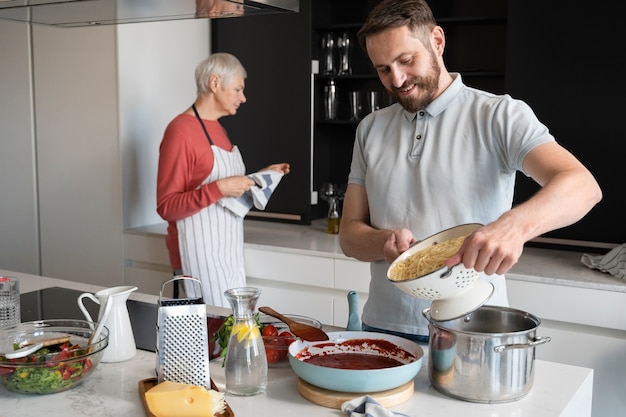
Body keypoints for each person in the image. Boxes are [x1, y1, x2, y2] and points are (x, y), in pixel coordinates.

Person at [339, 0, 602, 342]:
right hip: (383, 327)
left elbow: (583, 186)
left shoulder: (500, 115)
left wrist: (512, 228)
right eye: (383, 69)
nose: (397, 79)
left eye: (406, 60)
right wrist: (382, 242)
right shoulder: (370, 129)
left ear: (437, 41)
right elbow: (349, 235)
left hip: (473, 329)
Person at [156, 53, 290, 307]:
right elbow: (167, 206)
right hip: (195, 259)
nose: (243, 97)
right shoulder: (180, 131)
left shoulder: (218, 129)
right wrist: (218, 188)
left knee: (231, 333)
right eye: (238, 89)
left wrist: (260, 177)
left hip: (227, 253)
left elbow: (223, 188)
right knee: (210, 339)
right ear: (215, 83)